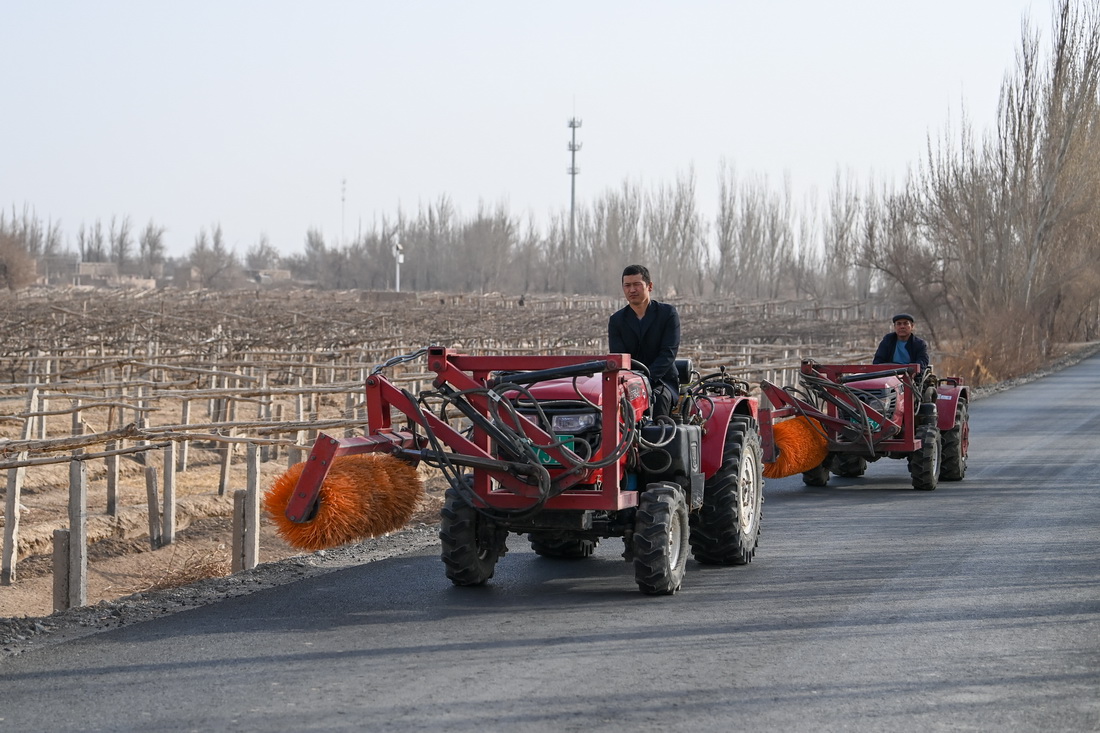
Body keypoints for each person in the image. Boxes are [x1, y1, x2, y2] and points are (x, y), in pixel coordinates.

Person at [608, 264, 681, 417]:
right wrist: (632, 382)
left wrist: (645, 380)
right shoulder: (617, 321)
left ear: (650, 286)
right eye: (627, 285)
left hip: (661, 381)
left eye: (637, 284)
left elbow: (668, 354)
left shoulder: (667, 314)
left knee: (658, 400)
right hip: (628, 384)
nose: (632, 290)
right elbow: (620, 357)